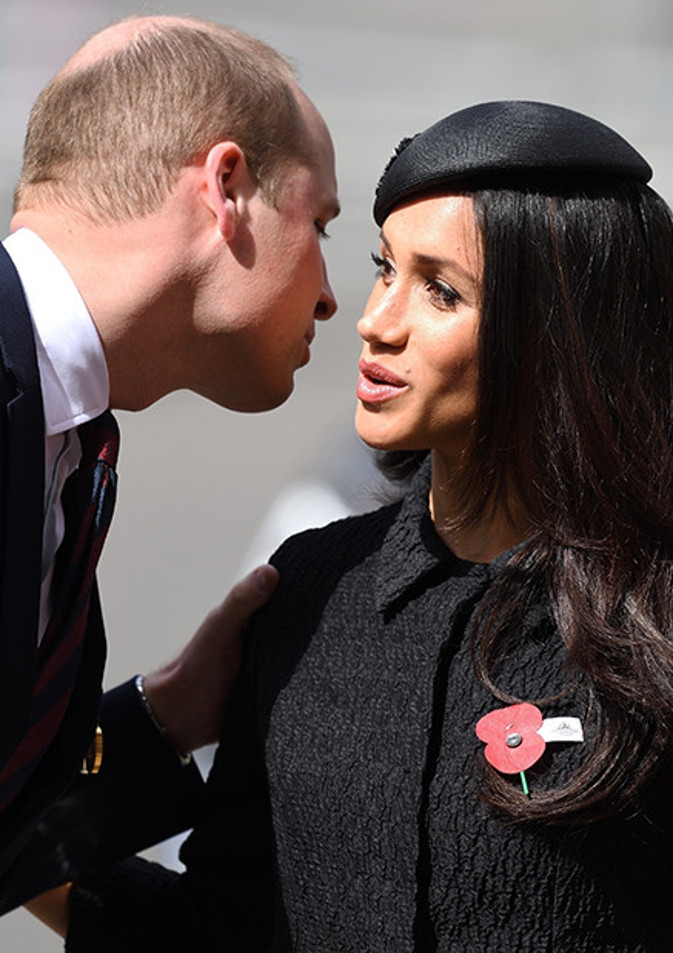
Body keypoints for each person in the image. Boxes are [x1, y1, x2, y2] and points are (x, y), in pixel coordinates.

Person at [32, 101, 673, 950]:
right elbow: (220, 931)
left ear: (559, 338)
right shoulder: (305, 595)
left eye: (440, 290)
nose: (377, 320)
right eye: (386, 268)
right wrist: (26, 840)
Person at [0, 13, 339, 913]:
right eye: (324, 225)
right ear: (227, 187)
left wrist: (167, 716)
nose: (336, 297)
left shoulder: (70, 446)